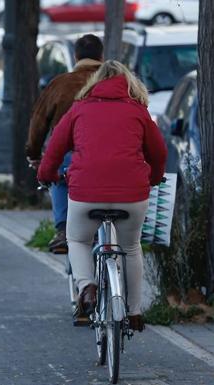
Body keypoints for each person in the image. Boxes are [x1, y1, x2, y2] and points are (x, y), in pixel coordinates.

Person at [37, 60, 167, 332]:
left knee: (78, 239)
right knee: (130, 248)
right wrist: (153, 178)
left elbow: (54, 149)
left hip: (85, 192)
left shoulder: (79, 109)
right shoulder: (138, 111)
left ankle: (87, 288)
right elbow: (159, 152)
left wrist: (46, 175)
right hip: (132, 194)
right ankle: (133, 312)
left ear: (94, 83)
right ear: (130, 85)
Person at [26, 34, 104, 255]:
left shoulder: (61, 84)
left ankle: (62, 229)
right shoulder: (119, 83)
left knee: (60, 176)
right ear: (102, 56)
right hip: (117, 159)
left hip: (72, 156)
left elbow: (38, 123)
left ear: (75, 56)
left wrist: (33, 154)